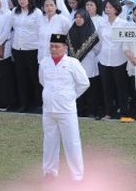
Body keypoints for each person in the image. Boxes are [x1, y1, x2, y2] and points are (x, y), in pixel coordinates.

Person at [39, 33, 90, 182]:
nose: (53, 49)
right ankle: (49, 171)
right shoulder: (44, 62)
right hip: (49, 109)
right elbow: (42, 81)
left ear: (65, 47)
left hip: (66, 109)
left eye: (57, 46)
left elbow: (84, 83)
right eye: (51, 46)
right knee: (49, 141)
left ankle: (77, 175)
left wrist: (70, 96)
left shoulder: (72, 63)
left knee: (72, 142)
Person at [97, 0, 130, 120]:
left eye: (110, 7)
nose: (107, 9)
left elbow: (126, 43)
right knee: (107, 88)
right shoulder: (102, 24)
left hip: (119, 60)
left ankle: (124, 113)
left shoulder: (123, 24)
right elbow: (100, 41)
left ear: (116, 9)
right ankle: (108, 112)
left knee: (121, 88)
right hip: (104, 59)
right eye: (106, 7)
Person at [11, 0, 43, 112]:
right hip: (18, 49)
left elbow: (40, 31)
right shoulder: (14, 11)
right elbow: (12, 27)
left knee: (35, 77)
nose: (22, 1)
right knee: (21, 78)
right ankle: (23, 103)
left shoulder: (37, 13)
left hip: (32, 49)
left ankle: (38, 103)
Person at [68, 9, 102, 119]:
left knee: (90, 88)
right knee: (77, 87)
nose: (78, 19)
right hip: (75, 64)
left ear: (86, 19)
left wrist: (86, 53)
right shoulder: (71, 31)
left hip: (89, 62)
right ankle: (79, 110)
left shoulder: (92, 32)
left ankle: (91, 110)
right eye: (76, 17)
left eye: (81, 17)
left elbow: (97, 48)